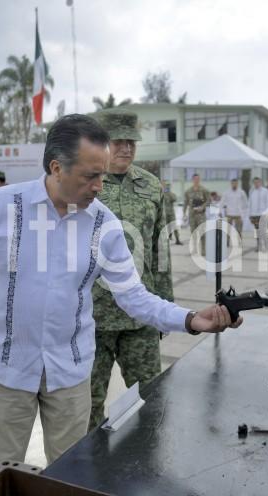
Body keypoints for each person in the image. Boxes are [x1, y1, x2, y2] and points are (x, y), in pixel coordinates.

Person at [0, 114, 240, 473]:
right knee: (0, 477)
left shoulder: (103, 223)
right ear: (57, 168)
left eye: (103, 175)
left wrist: (189, 319)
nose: (100, 186)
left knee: (70, 474)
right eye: (91, 175)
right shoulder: (1, 207)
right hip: (6, 375)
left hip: (70, 374)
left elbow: (133, 295)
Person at [88, 110, 175, 430]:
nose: (126, 148)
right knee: (87, 404)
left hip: (140, 316)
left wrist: (166, 306)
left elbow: (160, 249)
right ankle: (86, 469)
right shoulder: (86, 185)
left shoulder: (152, 187)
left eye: (131, 142)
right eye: (118, 141)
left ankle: (147, 463)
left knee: (151, 395)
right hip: (93, 317)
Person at [183, 173, 211, 256]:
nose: (196, 181)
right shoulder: (188, 191)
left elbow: (209, 201)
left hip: (201, 215)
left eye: (198, 179)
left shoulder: (204, 190)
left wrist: (203, 207)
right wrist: (184, 213)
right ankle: (194, 250)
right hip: (192, 215)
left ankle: (203, 251)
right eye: (195, 179)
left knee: (202, 233)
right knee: (193, 233)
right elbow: (185, 203)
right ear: (193, 180)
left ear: (199, 180)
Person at [218, 178, 248, 243]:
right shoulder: (227, 192)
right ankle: (227, 242)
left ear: (237, 184)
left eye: (235, 183)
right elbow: (222, 202)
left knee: (239, 230)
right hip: (229, 214)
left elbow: (245, 203)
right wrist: (220, 211)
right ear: (231, 184)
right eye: (233, 183)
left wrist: (243, 214)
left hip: (238, 214)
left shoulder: (241, 192)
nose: (234, 185)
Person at [248, 177, 268, 252]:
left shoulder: (265, 191)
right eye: (255, 182)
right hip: (254, 214)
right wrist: (250, 214)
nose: (256, 184)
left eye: (257, 182)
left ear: (260, 182)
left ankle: (265, 245)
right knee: (257, 231)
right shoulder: (252, 191)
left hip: (262, 214)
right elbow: (250, 203)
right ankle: (258, 246)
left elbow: (267, 202)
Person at [162, 180, 182, 245]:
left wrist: (168, 192)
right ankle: (165, 240)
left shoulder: (170, 194)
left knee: (174, 226)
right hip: (163, 213)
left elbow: (174, 199)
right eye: (165, 185)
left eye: (168, 185)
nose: (167, 187)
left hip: (171, 213)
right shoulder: (160, 193)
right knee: (164, 228)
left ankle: (177, 240)